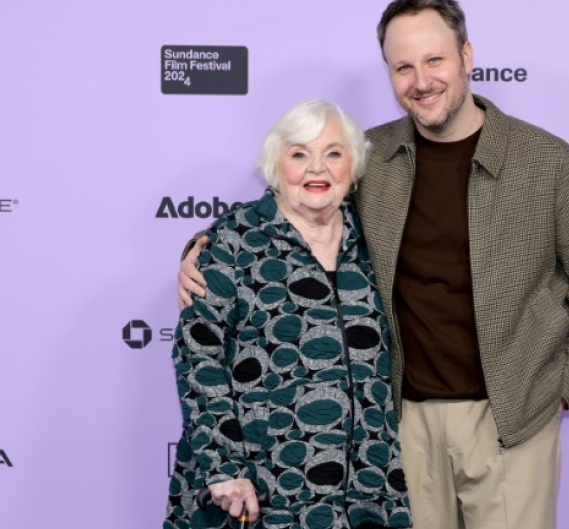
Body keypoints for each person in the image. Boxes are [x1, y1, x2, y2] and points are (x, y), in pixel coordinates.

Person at [179, 1, 569, 527]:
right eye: (403, 67)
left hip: (513, 419)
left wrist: (563, 385)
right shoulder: (369, 155)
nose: (421, 81)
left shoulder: (544, 160)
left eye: (435, 60)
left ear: (466, 57)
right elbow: (297, 211)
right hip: (399, 426)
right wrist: (202, 248)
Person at [165, 99, 412, 529]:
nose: (317, 168)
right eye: (299, 154)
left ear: (353, 166)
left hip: (367, 490)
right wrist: (224, 468)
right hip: (262, 489)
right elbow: (198, 354)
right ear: (275, 165)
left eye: (333, 153)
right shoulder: (234, 241)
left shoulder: (375, 240)